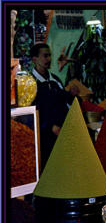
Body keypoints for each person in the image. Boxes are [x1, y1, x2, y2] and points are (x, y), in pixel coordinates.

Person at [30, 43, 79, 172]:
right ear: (35, 59)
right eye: (45, 56)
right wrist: (50, 126)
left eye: (49, 55)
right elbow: (33, 111)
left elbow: (63, 101)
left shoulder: (55, 80)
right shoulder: (31, 83)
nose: (49, 59)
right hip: (45, 137)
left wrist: (71, 95)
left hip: (62, 133)